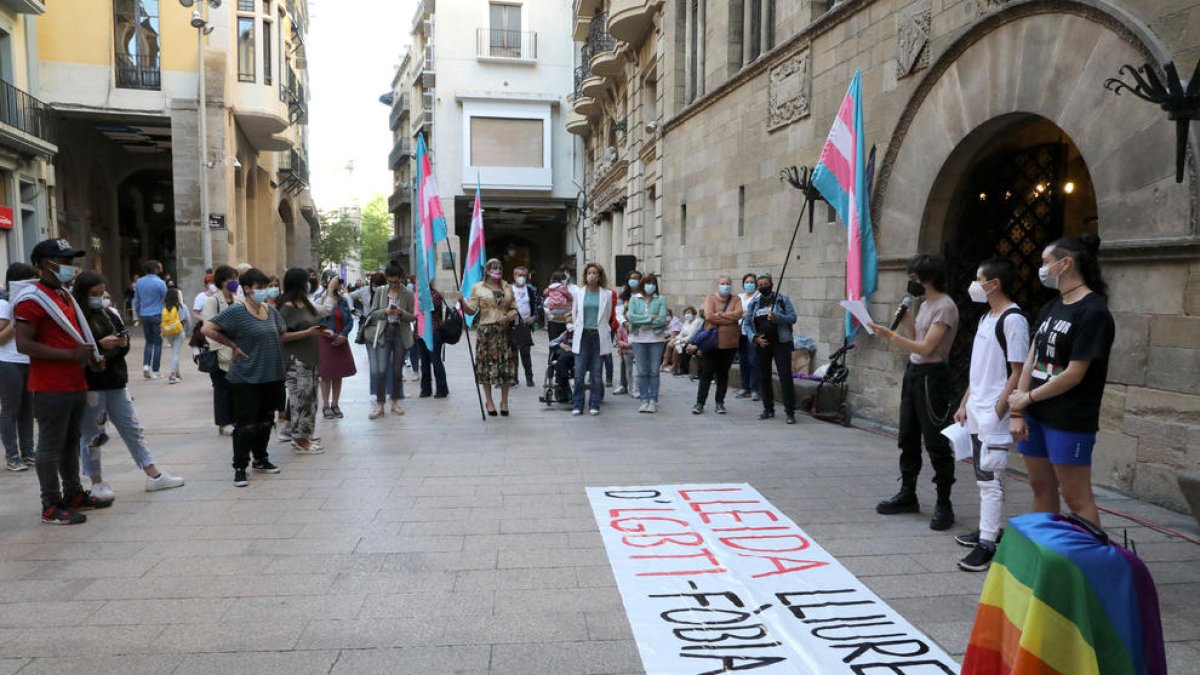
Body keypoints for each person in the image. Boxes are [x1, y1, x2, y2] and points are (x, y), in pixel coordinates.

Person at [1008, 234, 1114, 528]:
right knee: (1040, 487)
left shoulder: (1093, 312)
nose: (1042, 269)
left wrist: (1026, 398)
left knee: (1076, 497)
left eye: (1046, 262)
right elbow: (1032, 358)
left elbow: (1074, 373)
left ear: (1065, 264)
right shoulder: (1051, 307)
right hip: (1037, 415)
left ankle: (1088, 563)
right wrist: (1019, 408)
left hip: (1069, 418)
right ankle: (1045, 556)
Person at [13, 238, 111, 524]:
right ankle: (50, 504)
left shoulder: (64, 295)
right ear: (47, 263)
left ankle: (73, 493)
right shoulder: (33, 299)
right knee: (50, 445)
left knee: (70, 442)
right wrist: (69, 354)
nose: (71, 267)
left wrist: (89, 356)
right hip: (50, 385)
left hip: (74, 381)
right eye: (65, 261)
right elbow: (23, 344)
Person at [73, 272, 186, 499]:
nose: (99, 298)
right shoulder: (77, 317)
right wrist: (100, 345)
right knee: (93, 434)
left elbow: (122, 342)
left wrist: (118, 343)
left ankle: (153, 473)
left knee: (132, 429)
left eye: (101, 293)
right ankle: (96, 481)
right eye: (94, 294)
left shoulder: (107, 312)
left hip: (116, 381)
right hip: (92, 385)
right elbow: (79, 349)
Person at [869, 254, 960, 530]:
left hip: (932, 378)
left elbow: (928, 348)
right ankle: (908, 493)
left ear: (926, 278)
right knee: (907, 436)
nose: (911, 282)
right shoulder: (925, 304)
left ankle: (944, 502)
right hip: (914, 374)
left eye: (914, 277)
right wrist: (905, 318)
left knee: (935, 440)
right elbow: (917, 338)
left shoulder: (944, 306)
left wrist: (892, 336)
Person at [949, 258, 1029, 572]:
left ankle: (987, 544)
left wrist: (1000, 408)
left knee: (990, 479)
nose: (974, 284)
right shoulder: (987, 318)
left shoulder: (1013, 319)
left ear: (993, 284)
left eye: (978, 279)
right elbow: (978, 369)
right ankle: (989, 529)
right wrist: (965, 403)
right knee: (985, 475)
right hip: (977, 409)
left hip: (994, 413)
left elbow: (1018, 370)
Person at [201, 267, 287, 487]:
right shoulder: (237, 311)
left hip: (271, 374)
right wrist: (232, 345)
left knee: (266, 420)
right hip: (246, 375)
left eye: (266, 287)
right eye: (259, 288)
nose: (265, 291)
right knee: (246, 424)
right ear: (247, 289)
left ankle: (261, 458)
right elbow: (207, 329)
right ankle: (240, 466)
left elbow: (281, 334)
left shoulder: (270, 310)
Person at [276, 268, 328, 454]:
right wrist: (307, 332)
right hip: (296, 361)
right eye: (307, 280)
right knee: (301, 401)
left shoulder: (305, 304)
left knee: (311, 400)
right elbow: (281, 336)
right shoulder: (287, 307)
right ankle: (299, 440)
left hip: (310, 359)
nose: (310, 283)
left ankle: (305, 436)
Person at [461, 258, 518, 416]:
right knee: (486, 368)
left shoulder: (507, 287)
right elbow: (471, 311)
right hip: (486, 333)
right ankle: (489, 401)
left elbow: (514, 309)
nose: (497, 270)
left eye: (499, 267)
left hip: (504, 332)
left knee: (506, 367)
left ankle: (504, 401)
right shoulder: (477, 288)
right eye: (493, 267)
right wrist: (461, 301)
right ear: (487, 270)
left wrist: (507, 317)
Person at [746, 274, 798, 424]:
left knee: (785, 377)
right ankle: (768, 409)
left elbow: (792, 318)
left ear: (772, 284)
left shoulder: (782, 299)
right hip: (763, 344)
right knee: (764, 377)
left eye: (766, 284)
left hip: (781, 343)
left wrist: (778, 317)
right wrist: (754, 338)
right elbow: (747, 323)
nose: (763, 286)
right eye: (760, 284)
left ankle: (790, 411)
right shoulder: (754, 302)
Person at [1, 262, 39, 471]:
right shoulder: (5, 304)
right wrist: (17, 320)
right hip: (8, 362)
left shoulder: (28, 302)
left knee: (27, 409)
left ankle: (28, 452)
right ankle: (12, 455)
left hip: (28, 360)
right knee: (10, 409)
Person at [364, 265, 414, 419]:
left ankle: (395, 403)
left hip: (400, 332)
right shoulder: (380, 291)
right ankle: (380, 405)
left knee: (397, 370)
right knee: (381, 370)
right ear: (386, 279)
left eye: (396, 282)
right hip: (384, 332)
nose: (393, 285)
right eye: (391, 282)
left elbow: (412, 317)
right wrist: (385, 312)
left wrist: (401, 312)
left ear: (401, 279)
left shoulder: (408, 293)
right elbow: (372, 314)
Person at [569, 262, 617, 416]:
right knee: (579, 372)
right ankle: (577, 403)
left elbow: (607, 316)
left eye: (595, 273)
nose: (592, 275)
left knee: (596, 373)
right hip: (583, 335)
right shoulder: (579, 293)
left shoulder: (607, 294)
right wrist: (578, 329)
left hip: (598, 336)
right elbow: (575, 313)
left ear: (599, 275)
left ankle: (594, 403)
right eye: (589, 272)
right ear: (585, 275)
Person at [693, 275, 745, 415]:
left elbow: (739, 314)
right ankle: (700, 403)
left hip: (729, 343)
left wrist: (720, 316)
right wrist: (728, 317)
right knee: (706, 373)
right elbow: (709, 316)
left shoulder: (736, 299)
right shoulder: (711, 298)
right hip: (711, 343)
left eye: (728, 283)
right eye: (723, 283)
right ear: (718, 284)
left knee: (723, 374)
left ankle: (720, 402)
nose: (725, 286)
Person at [202, 265, 241, 436]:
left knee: (236, 388)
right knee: (222, 388)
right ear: (222, 281)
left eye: (236, 278)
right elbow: (208, 328)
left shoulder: (239, 299)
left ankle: (236, 418)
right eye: (231, 278)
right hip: (220, 352)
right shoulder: (214, 301)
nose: (235, 282)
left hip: (238, 351)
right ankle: (224, 422)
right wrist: (222, 347)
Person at [626, 273, 669, 413]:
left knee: (654, 371)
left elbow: (662, 319)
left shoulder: (661, 299)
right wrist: (651, 319)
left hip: (656, 339)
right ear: (642, 285)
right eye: (647, 283)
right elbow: (631, 317)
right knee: (642, 371)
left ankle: (652, 400)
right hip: (639, 339)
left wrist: (642, 320)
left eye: (653, 283)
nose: (650, 286)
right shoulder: (634, 298)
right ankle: (643, 399)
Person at [316, 274, 357, 418]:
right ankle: (326, 405)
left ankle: (335, 404)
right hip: (326, 339)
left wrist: (343, 335)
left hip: (341, 339)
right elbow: (320, 320)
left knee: (338, 374)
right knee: (326, 374)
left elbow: (350, 320)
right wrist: (334, 336)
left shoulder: (343, 300)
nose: (336, 284)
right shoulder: (319, 299)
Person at [133, 260, 168, 379]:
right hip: (157, 314)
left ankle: (146, 366)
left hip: (144, 314)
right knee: (158, 342)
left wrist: (138, 314)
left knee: (148, 341)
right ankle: (156, 370)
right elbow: (166, 299)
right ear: (156, 269)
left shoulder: (139, 282)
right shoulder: (160, 283)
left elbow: (136, 300)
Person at [416, 279, 449, 398]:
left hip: (434, 331)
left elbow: (425, 308)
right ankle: (425, 389)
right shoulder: (417, 295)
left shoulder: (435, 295)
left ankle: (442, 389)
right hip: (420, 332)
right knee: (424, 362)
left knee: (435, 360)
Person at [511, 265, 542, 387]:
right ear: (514, 276)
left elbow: (539, 304)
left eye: (524, 275)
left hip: (525, 325)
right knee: (513, 353)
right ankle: (514, 378)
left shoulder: (530, 289)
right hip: (512, 324)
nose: (521, 278)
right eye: (519, 275)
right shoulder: (508, 289)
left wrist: (534, 317)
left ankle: (529, 378)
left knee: (525, 352)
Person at [736, 272, 760, 401]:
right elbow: (735, 313)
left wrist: (743, 313)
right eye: (747, 282)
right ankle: (745, 387)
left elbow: (753, 313)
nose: (749, 284)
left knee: (753, 360)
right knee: (743, 361)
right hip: (740, 332)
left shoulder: (758, 296)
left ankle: (754, 389)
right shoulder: (739, 297)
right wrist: (742, 314)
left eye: (751, 282)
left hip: (752, 333)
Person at [161, 286, 188, 384]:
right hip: (179, 332)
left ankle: (177, 373)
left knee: (174, 352)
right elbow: (187, 319)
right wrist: (187, 329)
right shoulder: (181, 306)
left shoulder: (165, 308)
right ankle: (172, 375)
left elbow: (163, 320)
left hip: (169, 333)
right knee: (175, 354)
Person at [543, 270, 573, 342]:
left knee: (553, 342)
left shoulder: (550, 287)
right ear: (561, 279)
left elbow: (544, 293)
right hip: (563, 310)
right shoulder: (562, 287)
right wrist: (571, 298)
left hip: (553, 310)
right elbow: (568, 295)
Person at [673, 307, 703, 376]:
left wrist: (681, 341)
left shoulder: (697, 321)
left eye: (689, 313)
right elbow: (681, 333)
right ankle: (676, 367)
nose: (687, 315)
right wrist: (676, 339)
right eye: (686, 313)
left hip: (690, 341)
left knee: (682, 347)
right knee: (673, 345)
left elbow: (692, 335)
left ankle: (681, 369)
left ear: (694, 313)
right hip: (684, 340)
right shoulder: (686, 322)